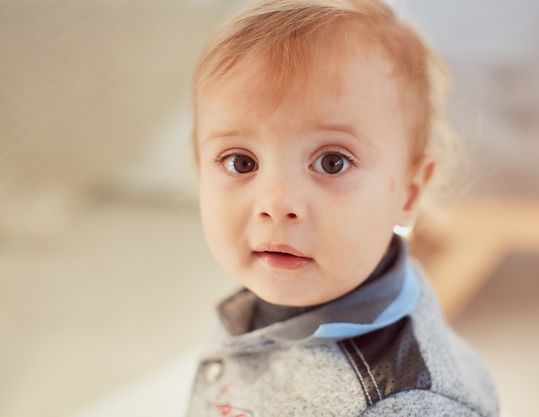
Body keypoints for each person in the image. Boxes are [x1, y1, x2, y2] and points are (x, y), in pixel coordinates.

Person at [187, 0, 498, 415]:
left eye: (332, 162)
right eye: (241, 162)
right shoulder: (291, 274)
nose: (276, 204)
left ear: (407, 194)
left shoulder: (406, 403)